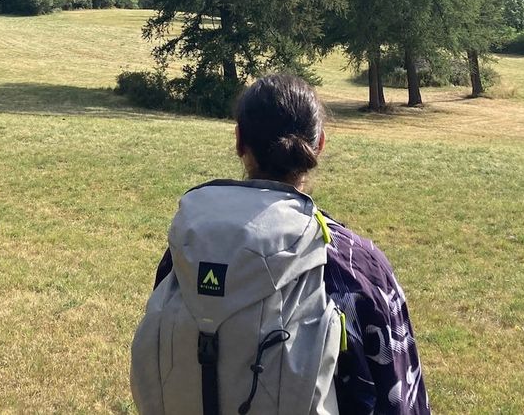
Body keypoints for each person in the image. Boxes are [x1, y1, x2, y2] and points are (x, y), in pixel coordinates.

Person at [144, 73, 430, 415]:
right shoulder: (357, 267)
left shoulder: (186, 254)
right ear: (320, 144)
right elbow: (401, 397)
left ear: (239, 142)